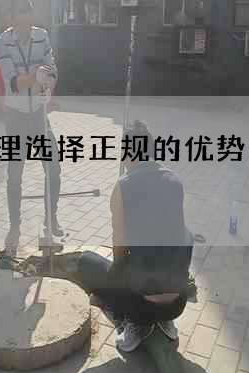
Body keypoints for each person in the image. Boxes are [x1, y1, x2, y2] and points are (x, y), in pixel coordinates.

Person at [74, 120, 194, 352]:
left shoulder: (123, 186)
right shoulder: (176, 181)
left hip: (139, 305)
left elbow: (119, 253)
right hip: (177, 303)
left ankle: (135, 323)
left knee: (87, 261)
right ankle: (164, 320)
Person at [0, 0, 63, 255]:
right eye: (20, 22)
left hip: (38, 114)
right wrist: (38, 75)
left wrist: (49, 82)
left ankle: (51, 218)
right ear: (12, 20)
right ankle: (15, 227)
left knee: (53, 168)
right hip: (15, 116)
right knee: (15, 175)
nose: (25, 26)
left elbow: (52, 69)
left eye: (28, 20)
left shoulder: (41, 36)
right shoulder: (3, 41)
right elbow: (13, 82)